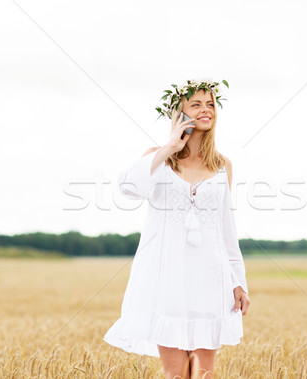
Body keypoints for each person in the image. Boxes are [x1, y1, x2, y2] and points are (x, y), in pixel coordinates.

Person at [104, 79, 250, 379]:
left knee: (204, 373)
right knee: (175, 375)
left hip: (211, 278)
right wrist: (171, 145)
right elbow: (127, 186)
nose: (206, 109)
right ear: (179, 113)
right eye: (196, 104)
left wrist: (239, 281)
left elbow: (226, 230)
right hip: (167, 278)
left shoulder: (224, 165)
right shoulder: (159, 158)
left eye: (210, 103)